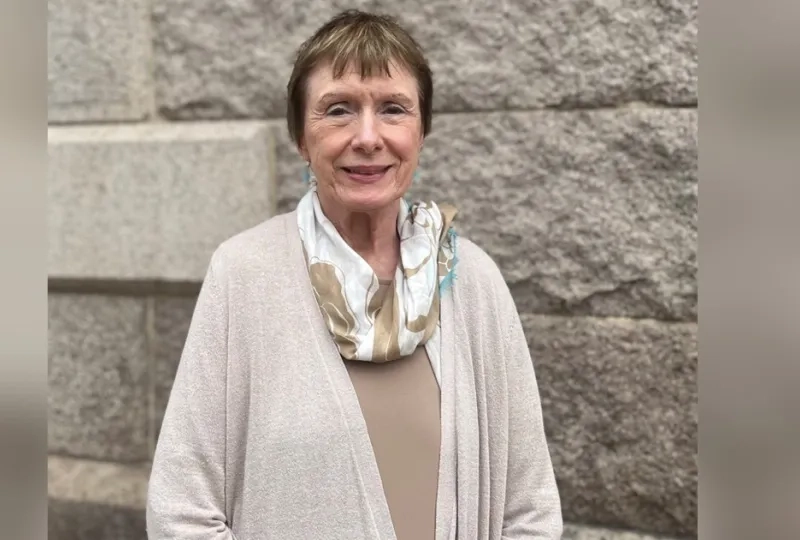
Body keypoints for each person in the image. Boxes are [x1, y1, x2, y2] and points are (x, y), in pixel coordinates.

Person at [146, 9, 562, 540]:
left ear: (421, 131)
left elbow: (530, 509)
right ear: (301, 137)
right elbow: (181, 510)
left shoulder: (472, 281)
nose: (368, 137)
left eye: (393, 109)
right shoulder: (244, 275)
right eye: (338, 110)